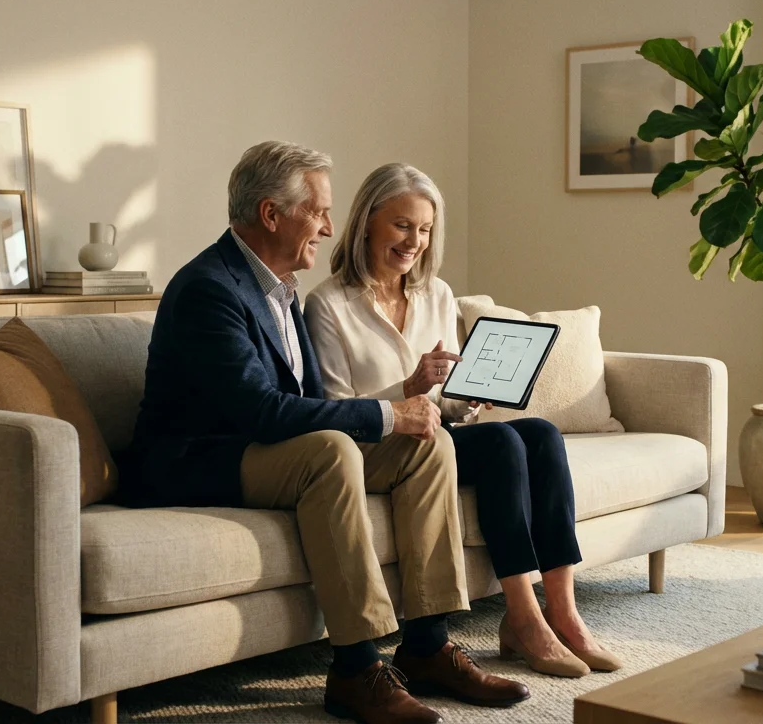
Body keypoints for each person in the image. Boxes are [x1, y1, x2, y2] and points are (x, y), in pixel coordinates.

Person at [124, 142, 528, 724]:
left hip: (265, 450)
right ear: (271, 214)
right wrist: (390, 413)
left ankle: (427, 645)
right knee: (339, 446)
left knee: (429, 440)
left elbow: (307, 405)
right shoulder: (210, 288)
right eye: (317, 212)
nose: (329, 227)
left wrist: (408, 417)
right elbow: (262, 412)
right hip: (198, 459)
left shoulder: (279, 287)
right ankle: (356, 668)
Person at [304, 163, 622, 679]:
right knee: (500, 445)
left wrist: (470, 399)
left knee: (538, 434)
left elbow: (448, 400)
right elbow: (338, 409)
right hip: (377, 447)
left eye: (425, 229)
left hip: (437, 433)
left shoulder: (438, 295)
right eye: (402, 225)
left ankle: (563, 613)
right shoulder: (328, 305)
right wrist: (407, 389)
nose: (415, 241)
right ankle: (522, 618)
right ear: (367, 222)